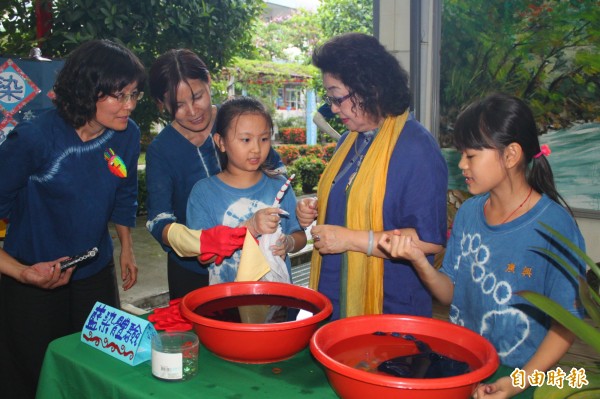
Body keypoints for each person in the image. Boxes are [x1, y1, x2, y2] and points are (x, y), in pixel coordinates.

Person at [379, 93, 585, 398]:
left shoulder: (555, 226)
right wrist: (419, 260)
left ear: (511, 155)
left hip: (523, 375)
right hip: (465, 365)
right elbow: (449, 292)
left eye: (471, 155)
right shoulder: (469, 213)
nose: (461, 164)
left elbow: (567, 323)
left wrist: (518, 382)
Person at [0, 39, 145, 398]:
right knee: (37, 375)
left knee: (97, 369)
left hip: (94, 273)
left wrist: (126, 247)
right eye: (119, 95)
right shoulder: (33, 140)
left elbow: (124, 190)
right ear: (85, 90)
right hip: (33, 278)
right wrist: (22, 273)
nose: (129, 106)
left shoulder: (126, 135)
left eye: (134, 94)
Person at [296, 33, 448, 320]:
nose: (334, 109)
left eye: (337, 98)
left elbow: (429, 241)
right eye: (330, 99)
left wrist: (353, 240)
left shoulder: (416, 149)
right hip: (334, 298)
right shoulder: (351, 140)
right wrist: (316, 208)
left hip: (389, 307)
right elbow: (357, 201)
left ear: (369, 89)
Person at [146, 49, 284, 299]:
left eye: (197, 96)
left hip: (255, 260)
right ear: (161, 104)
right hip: (191, 271)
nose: (193, 110)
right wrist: (200, 241)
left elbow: (276, 173)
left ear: (209, 81)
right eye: (178, 105)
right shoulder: (162, 150)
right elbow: (158, 221)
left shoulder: (237, 119)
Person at [186, 96, 306, 285]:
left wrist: (289, 243)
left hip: (277, 300)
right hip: (227, 301)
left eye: (264, 139)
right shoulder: (203, 193)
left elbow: (299, 236)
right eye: (246, 139)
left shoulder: (278, 186)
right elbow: (204, 256)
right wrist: (249, 228)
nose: (256, 149)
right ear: (221, 142)